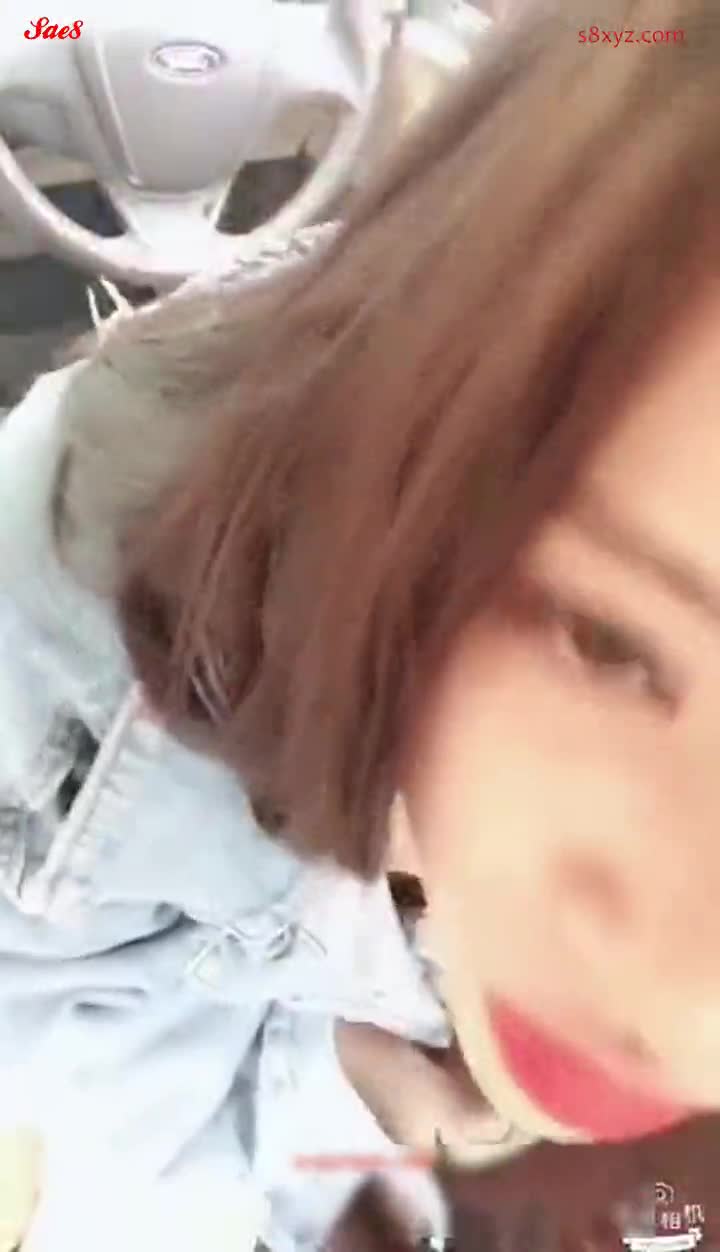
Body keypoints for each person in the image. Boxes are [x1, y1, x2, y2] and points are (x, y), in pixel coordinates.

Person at [3, 0, 720, 1245]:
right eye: (612, 644)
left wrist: (372, 1089)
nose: (688, 1013)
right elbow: (108, 1103)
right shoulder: (102, 606)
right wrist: (347, 1106)